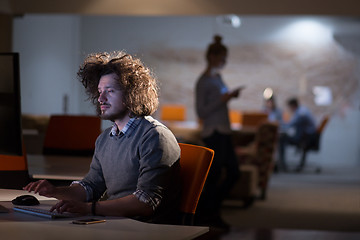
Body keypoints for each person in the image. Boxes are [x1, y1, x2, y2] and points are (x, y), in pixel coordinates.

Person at [23, 51, 181, 224]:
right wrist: (55, 191)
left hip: (145, 229)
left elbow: (146, 202)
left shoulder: (155, 136)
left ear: (132, 94)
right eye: (99, 91)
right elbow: (91, 186)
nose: (101, 98)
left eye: (110, 91)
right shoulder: (105, 138)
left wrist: (90, 208)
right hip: (115, 223)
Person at [195, 35, 242, 229]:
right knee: (215, 177)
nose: (225, 61)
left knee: (233, 173)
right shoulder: (203, 81)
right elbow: (201, 111)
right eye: (223, 57)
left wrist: (229, 97)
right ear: (212, 57)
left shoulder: (218, 77)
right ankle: (208, 213)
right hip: (214, 133)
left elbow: (220, 101)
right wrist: (223, 100)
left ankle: (209, 210)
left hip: (224, 130)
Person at [278, 97, 317, 172]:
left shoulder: (301, 113)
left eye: (289, 107)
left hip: (306, 138)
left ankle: (282, 165)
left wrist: (278, 125)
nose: (290, 109)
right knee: (283, 137)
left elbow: (290, 125)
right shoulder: (302, 110)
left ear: (293, 106)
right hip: (307, 137)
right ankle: (282, 164)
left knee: (282, 138)